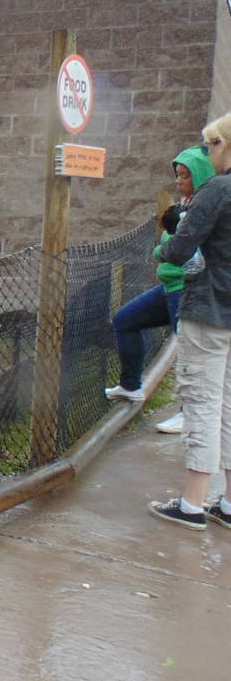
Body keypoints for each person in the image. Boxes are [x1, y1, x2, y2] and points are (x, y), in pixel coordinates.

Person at [149, 114, 231, 529]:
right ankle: (229, 505)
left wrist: (165, 248)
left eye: (212, 145)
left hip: (210, 309)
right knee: (230, 406)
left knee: (201, 403)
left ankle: (193, 504)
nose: (210, 153)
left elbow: (181, 249)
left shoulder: (218, 189)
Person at [105, 144, 214, 435]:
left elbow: (177, 250)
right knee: (126, 320)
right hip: (169, 286)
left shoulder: (204, 208)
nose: (178, 182)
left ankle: (189, 413)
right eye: (177, 175)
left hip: (187, 288)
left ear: (201, 175)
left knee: (190, 351)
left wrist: (162, 250)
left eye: (185, 176)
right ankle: (130, 386)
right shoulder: (185, 205)